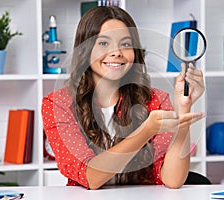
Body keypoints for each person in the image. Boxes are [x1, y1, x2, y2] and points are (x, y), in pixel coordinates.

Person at [41, 6, 205, 190]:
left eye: (125, 44)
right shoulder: (58, 104)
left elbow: (173, 180)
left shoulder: (157, 100)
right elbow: (90, 177)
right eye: (103, 43)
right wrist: (146, 131)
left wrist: (183, 111)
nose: (117, 52)